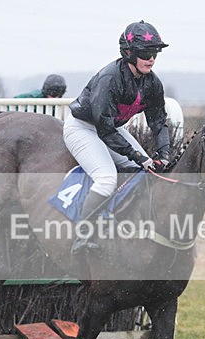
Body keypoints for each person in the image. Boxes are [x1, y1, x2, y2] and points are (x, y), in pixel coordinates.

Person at [64, 20, 171, 254]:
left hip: (111, 128)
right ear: (129, 52)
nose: (151, 59)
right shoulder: (110, 78)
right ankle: (82, 236)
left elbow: (159, 122)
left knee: (147, 170)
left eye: (154, 53)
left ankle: (123, 222)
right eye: (146, 53)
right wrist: (135, 155)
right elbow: (104, 129)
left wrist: (164, 153)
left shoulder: (152, 83)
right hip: (83, 128)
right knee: (106, 178)